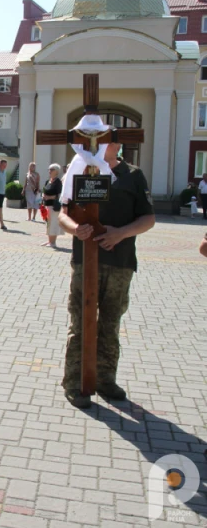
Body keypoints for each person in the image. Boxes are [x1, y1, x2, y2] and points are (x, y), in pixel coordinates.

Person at [58, 142, 155, 409]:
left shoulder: (133, 175)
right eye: (97, 140)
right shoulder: (80, 170)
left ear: (119, 145)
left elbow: (148, 218)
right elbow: (63, 214)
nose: (103, 145)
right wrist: (75, 229)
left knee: (110, 323)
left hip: (120, 262)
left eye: (108, 140)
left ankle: (105, 379)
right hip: (84, 262)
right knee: (79, 322)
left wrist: (120, 233)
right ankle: (75, 383)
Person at [41, 163, 63, 248]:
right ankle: (49, 241)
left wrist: (49, 197)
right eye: (49, 169)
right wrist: (43, 195)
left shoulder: (58, 182)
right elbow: (44, 190)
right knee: (48, 224)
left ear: (56, 171)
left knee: (53, 224)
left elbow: (59, 195)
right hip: (46, 206)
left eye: (52, 169)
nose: (49, 171)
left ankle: (53, 242)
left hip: (54, 206)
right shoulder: (48, 181)